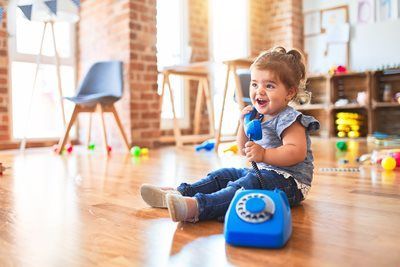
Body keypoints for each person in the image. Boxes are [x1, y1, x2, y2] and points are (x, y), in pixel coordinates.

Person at [140, 46, 320, 223]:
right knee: (223, 174)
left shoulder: (290, 119)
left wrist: (264, 154)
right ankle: (179, 193)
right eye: (255, 84)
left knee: (244, 186)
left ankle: (197, 207)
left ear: (289, 92)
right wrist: (244, 124)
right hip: (262, 172)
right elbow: (243, 150)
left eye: (269, 86)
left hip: (291, 183)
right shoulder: (258, 115)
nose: (259, 91)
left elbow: (296, 152)